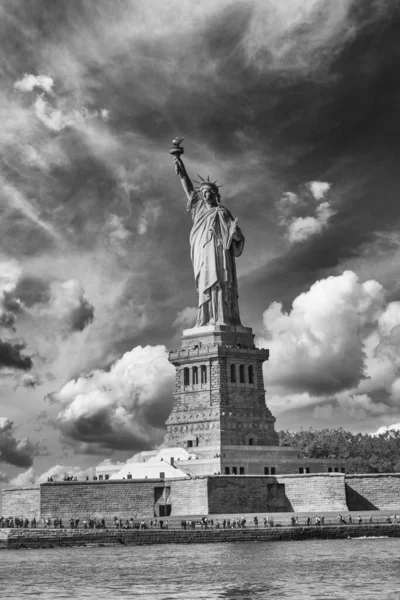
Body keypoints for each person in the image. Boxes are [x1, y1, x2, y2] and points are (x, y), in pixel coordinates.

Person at [174, 153, 244, 327]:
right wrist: (180, 166)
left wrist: (236, 235)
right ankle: (206, 318)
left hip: (220, 252)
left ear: (214, 195)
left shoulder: (222, 212)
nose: (204, 196)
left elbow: (237, 238)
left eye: (207, 193)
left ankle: (222, 318)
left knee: (220, 281)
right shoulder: (198, 209)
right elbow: (189, 189)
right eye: (203, 193)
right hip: (203, 251)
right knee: (206, 281)